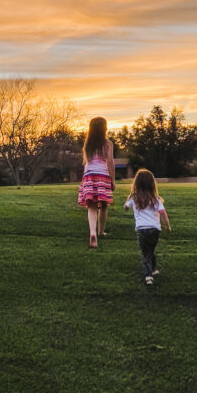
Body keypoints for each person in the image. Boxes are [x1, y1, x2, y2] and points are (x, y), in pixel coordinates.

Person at [124, 169, 171, 285]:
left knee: (146, 253)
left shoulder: (133, 198)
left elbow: (125, 207)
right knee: (151, 250)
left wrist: (127, 204)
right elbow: (163, 213)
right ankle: (154, 269)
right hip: (155, 229)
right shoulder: (155, 199)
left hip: (141, 230)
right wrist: (167, 225)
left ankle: (148, 275)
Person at [77, 116, 115, 248]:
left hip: (89, 176)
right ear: (104, 128)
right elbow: (110, 162)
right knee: (103, 206)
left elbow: (86, 163)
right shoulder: (108, 144)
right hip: (102, 175)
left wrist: (84, 181)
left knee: (92, 207)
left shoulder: (88, 144)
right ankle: (101, 231)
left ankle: (92, 232)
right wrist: (113, 180)